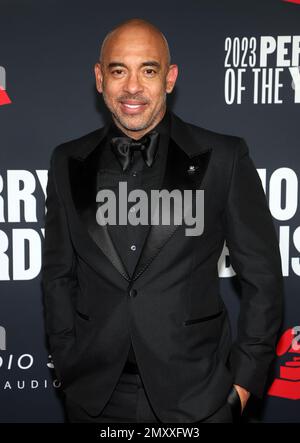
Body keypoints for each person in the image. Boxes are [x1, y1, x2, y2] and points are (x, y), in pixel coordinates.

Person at [41, 18, 284, 423]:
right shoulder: (67, 161)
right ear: (99, 78)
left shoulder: (223, 158)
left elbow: (262, 277)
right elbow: (57, 275)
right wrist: (67, 363)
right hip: (95, 398)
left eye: (148, 70)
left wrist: (243, 383)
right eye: (119, 70)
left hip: (198, 396)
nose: (133, 87)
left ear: (169, 78)